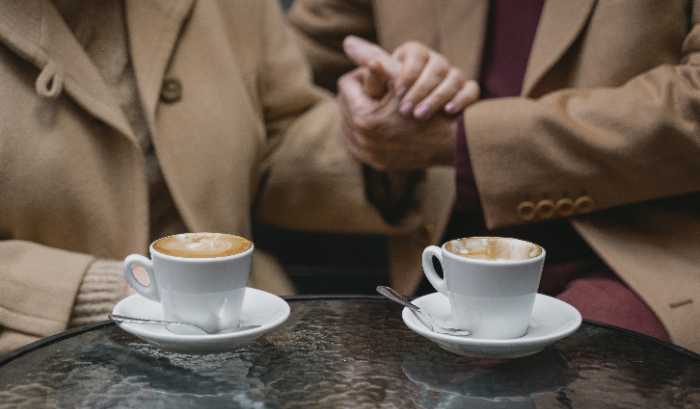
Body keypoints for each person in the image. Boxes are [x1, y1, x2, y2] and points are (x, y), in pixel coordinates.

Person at [0, 0, 472, 352]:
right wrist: (104, 292)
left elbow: (277, 139)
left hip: (250, 347)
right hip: (38, 371)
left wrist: (386, 141)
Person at [290, 0, 700, 352]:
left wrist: (465, 142)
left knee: (571, 396)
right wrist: (365, 99)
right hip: (437, 274)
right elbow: (290, 77)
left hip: (647, 259)